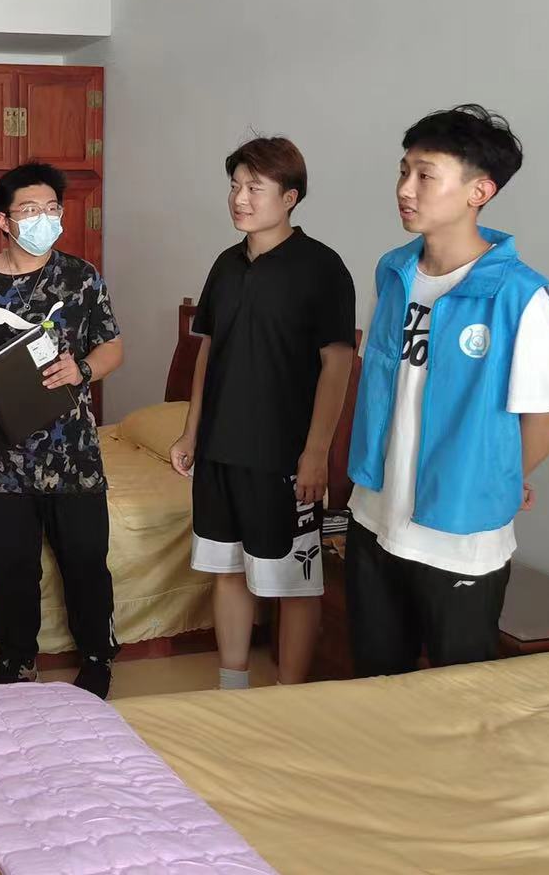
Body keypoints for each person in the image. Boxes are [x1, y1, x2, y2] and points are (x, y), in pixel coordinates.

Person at [346, 105, 549, 677]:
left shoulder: (520, 296)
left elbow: (547, 416)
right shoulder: (393, 272)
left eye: (426, 175)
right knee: (374, 682)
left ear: (479, 191)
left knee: (459, 692)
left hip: (459, 538)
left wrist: (500, 477)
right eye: (404, 171)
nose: (405, 189)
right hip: (374, 516)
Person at [169, 137, 356, 689]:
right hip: (220, 451)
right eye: (234, 186)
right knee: (227, 572)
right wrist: (190, 432)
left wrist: (316, 454)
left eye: (255, 188)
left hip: (282, 456)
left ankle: (287, 697)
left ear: (290, 197)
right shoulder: (225, 266)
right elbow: (208, 351)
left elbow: (338, 364)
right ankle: (233, 689)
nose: (239, 199)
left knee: (293, 583)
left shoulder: (322, 267)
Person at [0, 162, 125, 699]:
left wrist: (83, 369)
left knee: (86, 562)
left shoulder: (81, 277)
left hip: (75, 456)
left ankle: (96, 658)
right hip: (1, 458)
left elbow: (113, 346)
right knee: (12, 568)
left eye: (52, 208)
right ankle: (17, 662)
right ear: (4, 220)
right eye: (30, 209)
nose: (44, 218)